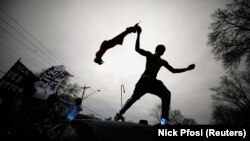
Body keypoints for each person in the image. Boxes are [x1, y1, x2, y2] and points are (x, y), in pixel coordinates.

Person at [114, 26, 195, 125]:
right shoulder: (149, 55)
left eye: (164, 50)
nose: (163, 51)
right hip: (143, 82)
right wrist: (139, 35)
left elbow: (173, 70)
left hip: (152, 82)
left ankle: (163, 120)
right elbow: (137, 49)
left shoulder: (163, 61)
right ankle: (118, 115)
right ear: (157, 49)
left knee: (166, 94)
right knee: (133, 98)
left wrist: (187, 68)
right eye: (162, 49)